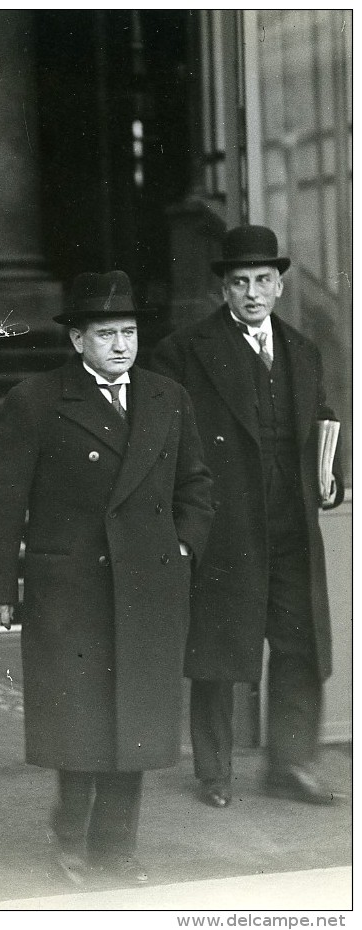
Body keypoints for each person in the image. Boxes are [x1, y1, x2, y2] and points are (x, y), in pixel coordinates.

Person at [0, 271, 213, 886]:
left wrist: (183, 544)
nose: (121, 345)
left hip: (148, 586)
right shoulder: (37, 399)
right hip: (71, 588)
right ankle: (70, 836)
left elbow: (197, 486)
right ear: (77, 341)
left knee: (136, 717)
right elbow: (0, 498)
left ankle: (117, 847)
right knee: (79, 718)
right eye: (106, 334)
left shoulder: (167, 397)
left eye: (129, 332)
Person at [150, 225, 344, 809]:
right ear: (224, 290)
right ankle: (215, 771)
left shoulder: (303, 350)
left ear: (280, 286)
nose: (253, 293)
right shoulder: (182, 352)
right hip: (225, 525)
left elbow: (324, 421)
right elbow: (166, 443)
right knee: (218, 649)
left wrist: (335, 477)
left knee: (299, 643)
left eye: (263, 280)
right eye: (240, 283)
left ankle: (291, 763)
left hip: (292, 523)